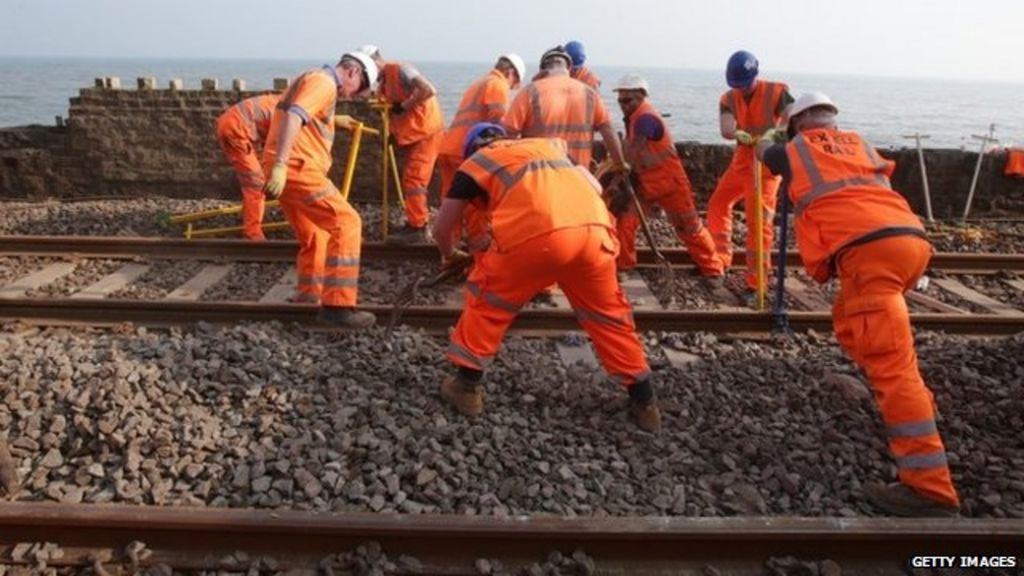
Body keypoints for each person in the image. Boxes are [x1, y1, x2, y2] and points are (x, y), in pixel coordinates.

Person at [755, 92, 960, 517]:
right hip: (908, 241)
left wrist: (771, 133)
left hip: (869, 254)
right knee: (849, 320)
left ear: (796, 125)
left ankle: (929, 487)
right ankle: (912, 400)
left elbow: (764, 152)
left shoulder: (795, 148)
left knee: (892, 364)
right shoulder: (861, 144)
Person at [432, 123, 661, 432]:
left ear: (473, 148)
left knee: (488, 300)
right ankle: (644, 401)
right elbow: (594, 187)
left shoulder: (477, 163)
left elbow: (442, 228)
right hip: (595, 234)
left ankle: (466, 386)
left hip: (535, 238)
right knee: (609, 316)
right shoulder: (549, 148)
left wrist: (450, 254)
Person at [262, 52, 379, 328]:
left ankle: (308, 296)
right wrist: (281, 163)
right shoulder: (324, 83)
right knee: (346, 222)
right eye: (359, 89)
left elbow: (297, 112)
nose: (354, 96)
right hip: (298, 167)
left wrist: (330, 119)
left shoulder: (311, 77)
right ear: (353, 72)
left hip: (285, 168)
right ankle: (338, 307)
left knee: (316, 233)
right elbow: (293, 117)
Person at [611, 74, 723, 283]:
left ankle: (713, 270)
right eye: (620, 101)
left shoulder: (645, 118)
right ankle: (624, 265)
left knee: (689, 227)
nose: (623, 105)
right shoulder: (633, 119)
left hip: (670, 184)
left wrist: (618, 179)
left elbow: (634, 151)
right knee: (625, 221)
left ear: (642, 96)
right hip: (647, 184)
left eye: (628, 100)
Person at [707, 50, 792, 303]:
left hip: (765, 167)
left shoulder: (777, 92)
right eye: (736, 85)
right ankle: (721, 260)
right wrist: (736, 134)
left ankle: (758, 285)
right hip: (742, 162)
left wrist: (774, 135)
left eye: (744, 84)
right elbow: (725, 128)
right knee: (718, 205)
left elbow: (791, 120)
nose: (741, 90)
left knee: (758, 223)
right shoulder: (728, 97)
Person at [363, 46, 445, 244]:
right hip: (414, 136)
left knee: (415, 181)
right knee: (411, 180)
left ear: (376, 61)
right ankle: (415, 222)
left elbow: (427, 89)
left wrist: (404, 105)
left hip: (426, 133)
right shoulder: (383, 82)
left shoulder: (400, 70)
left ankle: (418, 227)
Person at [503, 46, 627, 171]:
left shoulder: (529, 92)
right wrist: (620, 165)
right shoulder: (590, 94)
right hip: (579, 176)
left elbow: (508, 136)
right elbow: (608, 130)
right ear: (569, 68)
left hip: (540, 177)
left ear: (542, 70)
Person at [215, 93, 280, 240]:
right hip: (236, 131)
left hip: (235, 127)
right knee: (255, 184)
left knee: (256, 182)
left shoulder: (280, 102)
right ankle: (253, 234)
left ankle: (249, 221)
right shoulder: (288, 112)